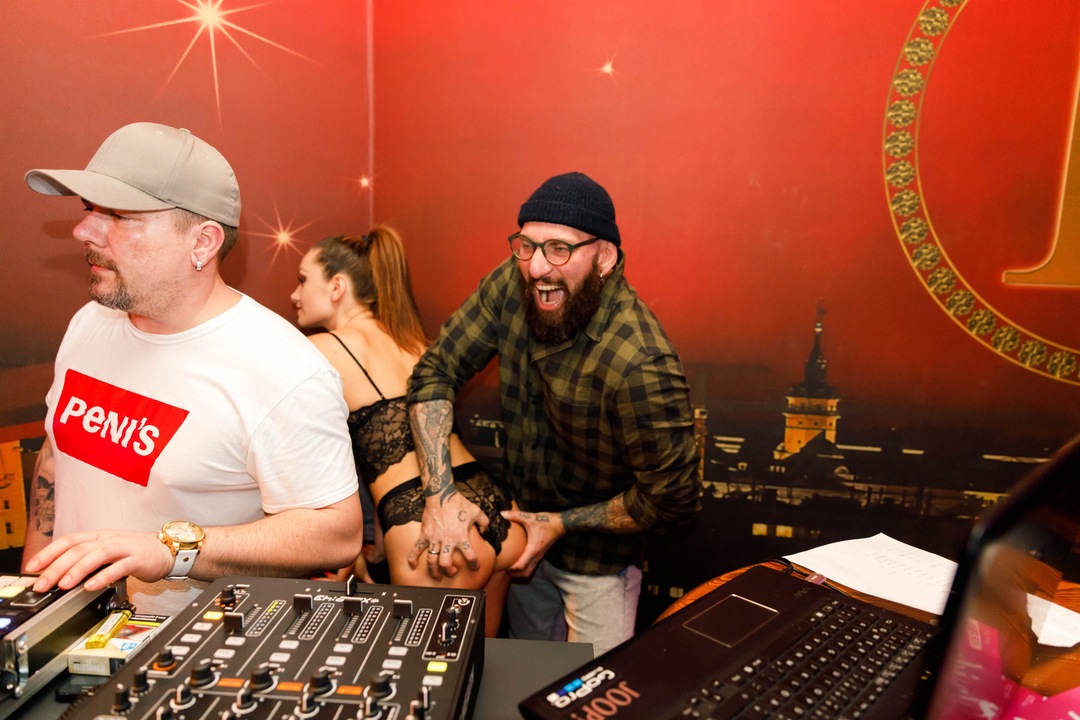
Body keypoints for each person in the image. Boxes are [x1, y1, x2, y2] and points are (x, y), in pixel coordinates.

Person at [21, 122, 363, 594]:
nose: (83, 230)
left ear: (202, 242)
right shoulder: (90, 322)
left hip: (191, 637)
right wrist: (32, 588)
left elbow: (336, 533)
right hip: (70, 623)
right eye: (88, 209)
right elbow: (56, 459)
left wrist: (169, 550)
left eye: (118, 215)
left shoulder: (284, 370)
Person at [407, 172, 701, 655]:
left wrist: (561, 523)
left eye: (559, 249)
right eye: (527, 246)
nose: (538, 267)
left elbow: (673, 498)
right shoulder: (511, 281)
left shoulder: (640, 361)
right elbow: (435, 372)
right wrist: (439, 495)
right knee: (525, 676)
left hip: (599, 561)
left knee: (592, 688)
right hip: (523, 538)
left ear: (604, 257)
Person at [290, 228, 525, 637]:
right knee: (483, 662)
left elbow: (324, 466)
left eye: (302, 279)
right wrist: (380, 541)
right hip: (495, 508)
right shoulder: (414, 341)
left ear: (337, 287)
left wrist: (342, 546)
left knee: (427, 671)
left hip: (429, 531)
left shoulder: (320, 350)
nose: (295, 294)